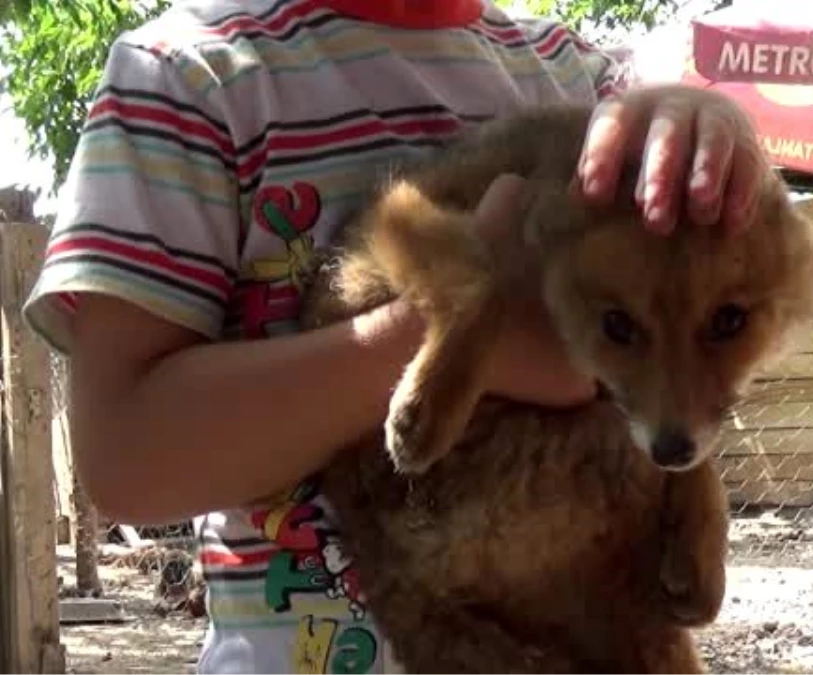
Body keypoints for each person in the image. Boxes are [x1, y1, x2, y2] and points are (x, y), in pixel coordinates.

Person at [22, 0, 765, 672]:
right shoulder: (189, 78)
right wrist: (448, 339)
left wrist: (721, 155)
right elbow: (125, 457)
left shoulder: (580, 81)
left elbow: (692, 341)